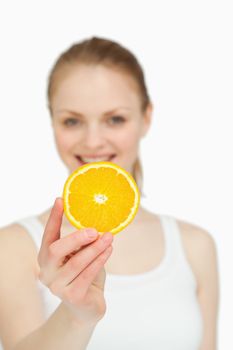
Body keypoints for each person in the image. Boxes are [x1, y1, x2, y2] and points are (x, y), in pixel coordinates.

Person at [0, 37, 219, 350]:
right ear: (52, 122)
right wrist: (77, 316)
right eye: (72, 120)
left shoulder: (195, 246)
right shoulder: (14, 247)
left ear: (146, 117)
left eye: (115, 119)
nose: (92, 141)